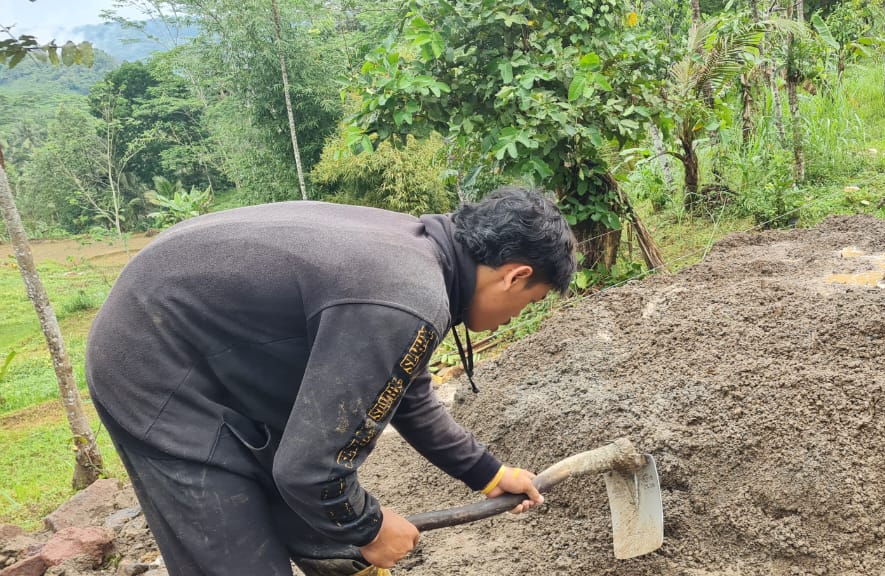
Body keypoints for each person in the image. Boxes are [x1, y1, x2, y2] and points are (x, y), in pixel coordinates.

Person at [85, 186, 577, 575]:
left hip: (222, 353)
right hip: (154, 366)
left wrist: (486, 472)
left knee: (324, 531)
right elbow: (309, 471)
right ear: (515, 275)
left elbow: (408, 394)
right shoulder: (404, 295)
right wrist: (370, 527)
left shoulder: (420, 262)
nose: (515, 318)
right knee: (238, 556)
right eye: (530, 303)